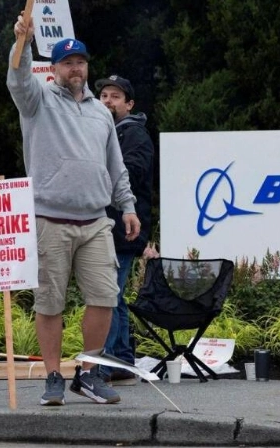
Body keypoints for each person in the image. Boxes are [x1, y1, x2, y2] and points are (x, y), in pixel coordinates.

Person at [6, 20, 140, 407]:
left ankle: (89, 373)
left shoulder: (101, 113)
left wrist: (127, 206)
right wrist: (23, 42)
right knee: (50, 302)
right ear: (54, 69)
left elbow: (115, 166)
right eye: (67, 63)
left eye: (80, 62)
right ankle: (52, 377)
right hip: (49, 218)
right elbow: (18, 77)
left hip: (97, 220)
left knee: (104, 297)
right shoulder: (37, 100)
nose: (75, 69)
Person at [95, 75, 154, 385]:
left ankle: (108, 364)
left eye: (115, 96)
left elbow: (129, 173)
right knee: (113, 296)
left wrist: (94, 169)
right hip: (108, 227)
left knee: (109, 294)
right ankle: (120, 360)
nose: (107, 101)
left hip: (123, 230)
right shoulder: (102, 132)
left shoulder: (135, 135)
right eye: (103, 95)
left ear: (129, 104)